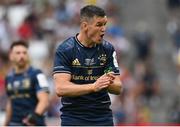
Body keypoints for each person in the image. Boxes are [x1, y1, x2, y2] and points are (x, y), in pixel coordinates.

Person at [53, 5, 122, 126]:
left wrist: (108, 82)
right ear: (85, 26)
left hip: (102, 117)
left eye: (105, 24)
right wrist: (93, 86)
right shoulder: (65, 50)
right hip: (74, 117)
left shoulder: (107, 49)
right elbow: (61, 88)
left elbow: (118, 87)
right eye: (99, 25)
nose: (104, 29)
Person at [4, 40, 49, 126]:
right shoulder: (9, 77)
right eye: (18, 53)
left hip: (33, 123)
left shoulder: (37, 74)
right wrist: (5, 124)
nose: (22, 55)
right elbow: (10, 102)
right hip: (14, 123)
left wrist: (33, 118)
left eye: (24, 53)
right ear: (11, 56)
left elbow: (44, 100)